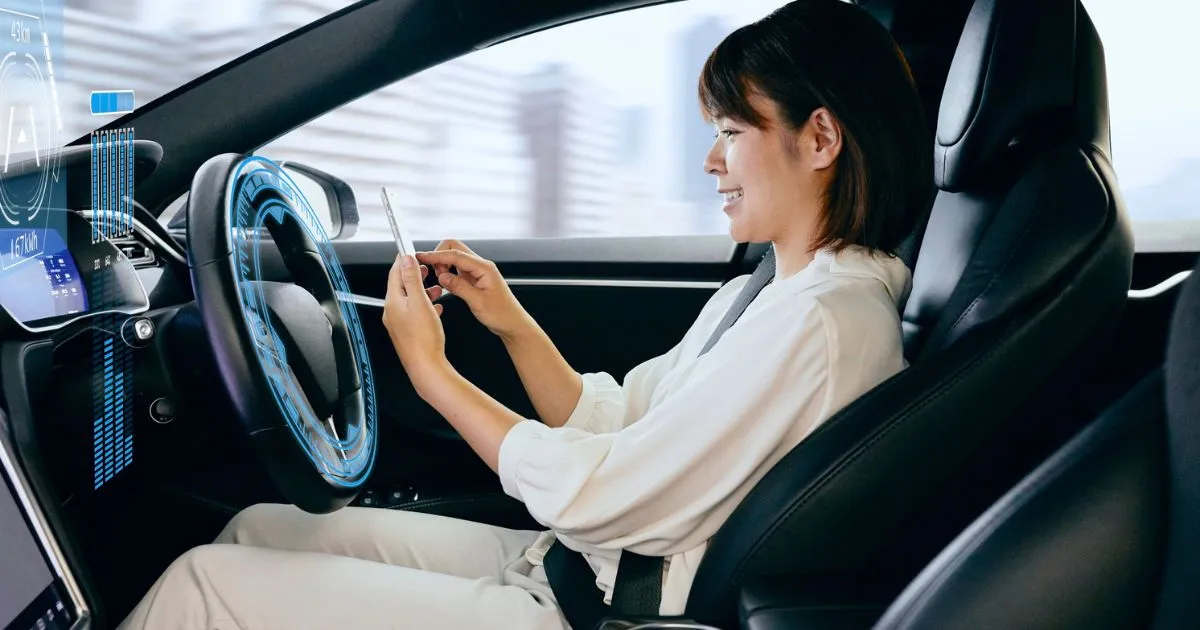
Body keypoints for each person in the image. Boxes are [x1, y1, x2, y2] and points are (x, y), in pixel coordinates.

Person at [119, 0, 932, 627]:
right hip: (570, 565)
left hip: (597, 608)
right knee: (262, 528)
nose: (711, 159)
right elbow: (618, 420)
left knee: (200, 586)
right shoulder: (771, 291)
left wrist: (432, 374)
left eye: (729, 130)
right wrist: (510, 320)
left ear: (820, 138)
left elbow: (591, 488)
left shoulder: (825, 324)